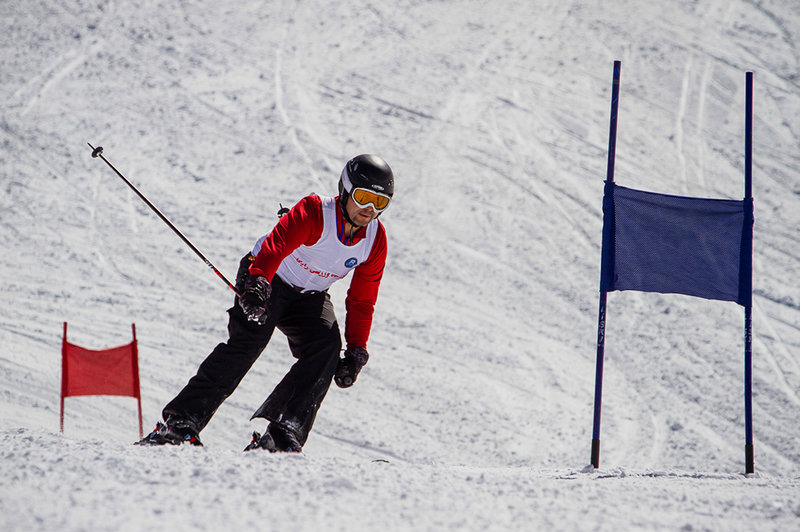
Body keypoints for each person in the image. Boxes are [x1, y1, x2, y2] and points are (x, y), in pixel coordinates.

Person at [137, 154, 393, 452]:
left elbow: (362, 299)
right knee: (249, 341)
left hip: (309, 296)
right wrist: (257, 284)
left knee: (326, 348)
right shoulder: (315, 212)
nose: (369, 209)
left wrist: (357, 348)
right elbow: (277, 245)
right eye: (363, 197)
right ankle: (180, 423)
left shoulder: (374, 240)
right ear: (346, 190)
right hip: (267, 278)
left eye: (380, 203)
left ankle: (284, 433)